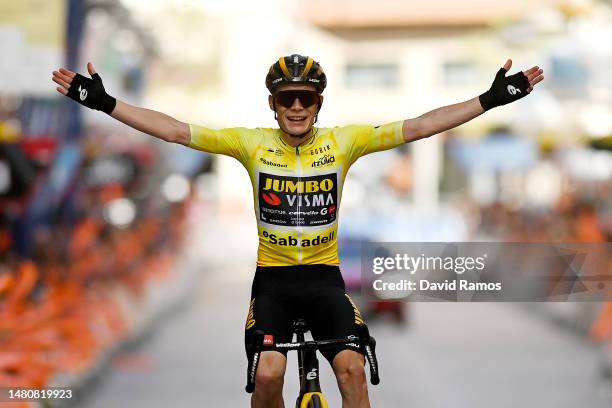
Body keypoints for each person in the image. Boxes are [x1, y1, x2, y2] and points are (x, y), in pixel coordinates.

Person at [52, 54, 544, 408]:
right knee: (269, 375)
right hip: (274, 285)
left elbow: (418, 127)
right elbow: (177, 131)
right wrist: (106, 103)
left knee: (352, 372)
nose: (296, 107)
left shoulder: (345, 142)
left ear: (318, 102)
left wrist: (490, 99)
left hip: (326, 282)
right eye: (286, 98)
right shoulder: (249, 144)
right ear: (272, 103)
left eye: (305, 98)